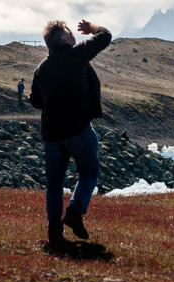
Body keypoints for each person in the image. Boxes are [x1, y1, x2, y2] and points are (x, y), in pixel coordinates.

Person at [28, 18, 112, 249]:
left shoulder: (41, 69)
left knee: (54, 183)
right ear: (65, 38)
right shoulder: (76, 55)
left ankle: (55, 231)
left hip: (52, 134)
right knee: (89, 171)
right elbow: (105, 36)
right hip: (78, 129)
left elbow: (35, 101)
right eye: (70, 32)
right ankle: (75, 211)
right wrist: (92, 28)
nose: (75, 35)